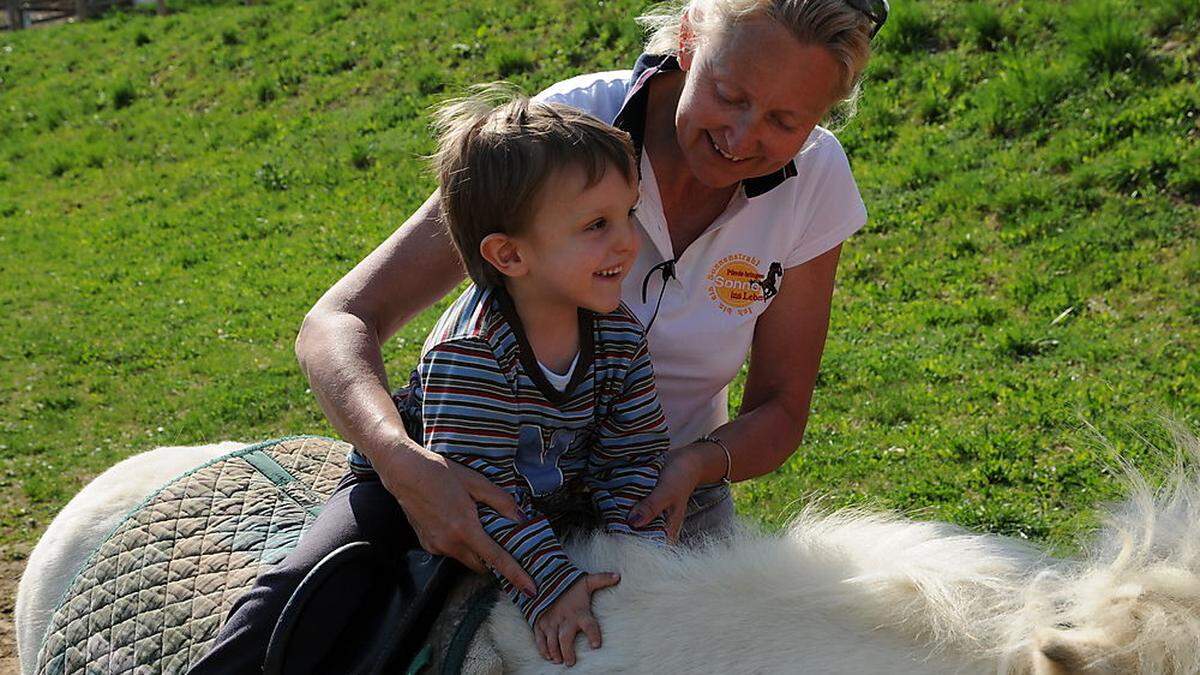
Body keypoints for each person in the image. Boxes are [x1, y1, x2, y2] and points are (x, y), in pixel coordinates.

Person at [193, 91, 674, 671]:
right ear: (509, 255)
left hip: (556, 506)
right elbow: (480, 496)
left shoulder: (618, 332)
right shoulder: (470, 352)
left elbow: (634, 451)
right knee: (309, 591)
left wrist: (632, 557)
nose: (627, 242)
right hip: (425, 495)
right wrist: (549, 582)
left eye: (628, 213)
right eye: (597, 224)